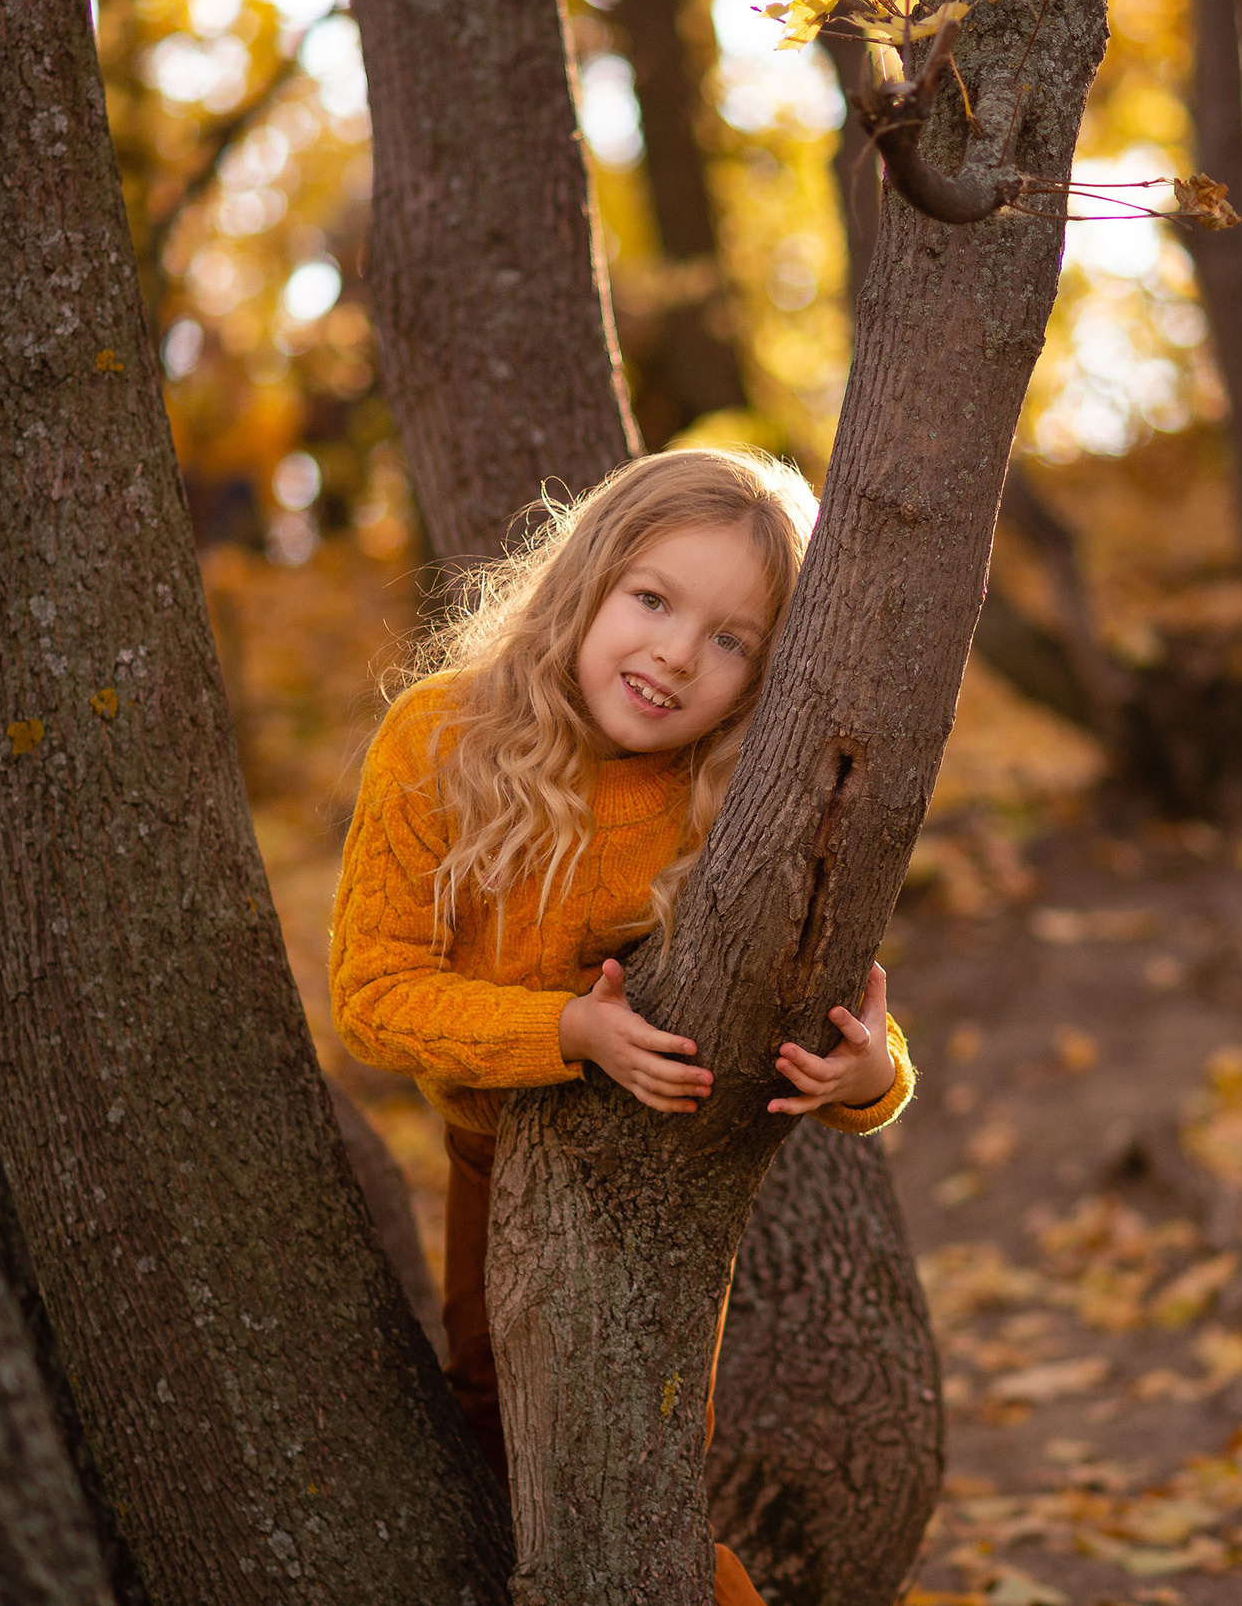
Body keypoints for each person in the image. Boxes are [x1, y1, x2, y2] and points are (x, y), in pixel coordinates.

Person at [328, 446, 915, 1606]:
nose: (675, 655)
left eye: (731, 639)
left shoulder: (744, 797)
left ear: (765, 679)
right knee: (502, 1441)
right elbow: (371, 993)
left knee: (631, 1478)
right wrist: (565, 1032)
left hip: (667, 1189)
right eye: (652, 600)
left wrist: (864, 1076)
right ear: (585, 582)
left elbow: (857, 1020)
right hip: (498, 1162)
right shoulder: (440, 739)